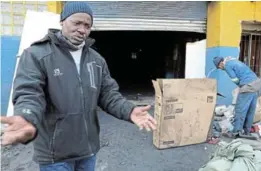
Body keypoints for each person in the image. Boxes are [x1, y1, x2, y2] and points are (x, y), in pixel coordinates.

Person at [0, 2, 157, 171]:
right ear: (62, 21)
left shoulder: (96, 60)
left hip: (87, 151)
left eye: (87, 25)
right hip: (55, 155)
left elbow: (108, 94)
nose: (82, 29)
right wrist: (26, 116)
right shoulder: (37, 55)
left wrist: (129, 110)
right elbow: (29, 92)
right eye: (77, 23)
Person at [213, 56, 261, 139]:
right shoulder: (233, 60)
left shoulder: (227, 65)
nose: (220, 69)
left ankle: (236, 132)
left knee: (240, 109)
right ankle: (247, 131)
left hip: (248, 85)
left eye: (219, 67)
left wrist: (241, 87)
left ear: (220, 63)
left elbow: (234, 79)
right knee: (250, 110)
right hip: (256, 82)